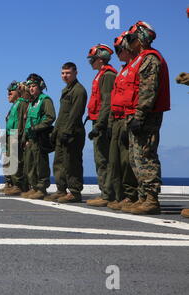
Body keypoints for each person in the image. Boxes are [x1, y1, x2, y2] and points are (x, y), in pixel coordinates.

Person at [124, 21, 171, 215]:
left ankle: (151, 198)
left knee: (146, 155)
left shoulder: (150, 59)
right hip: (137, 114)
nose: (129, 43)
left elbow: (148, 90)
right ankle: (143, 196)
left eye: (132, 39)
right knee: (136, 158)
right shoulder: (140, 58)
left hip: (146, 115)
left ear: (141, 39)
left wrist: (140, 115)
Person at [103, 31, 139, 212]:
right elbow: (113, 100)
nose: (118, 53)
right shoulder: (123, 71)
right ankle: (120, 196)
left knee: (126, 161)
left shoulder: (136, 67)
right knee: (114, 161)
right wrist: (110, 124)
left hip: (127, 119)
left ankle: (130, 195)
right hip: (116, 120)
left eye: (119, 49)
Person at [46, 62, 87, 203]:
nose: (65, 76)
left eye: (68, 73)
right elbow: (62, 115)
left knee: (72, 163)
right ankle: (61, 189)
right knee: (59, 162)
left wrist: (67, 132)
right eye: (63, 73)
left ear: (75, 73)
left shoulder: (79, 90)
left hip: (73, 133)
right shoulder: (66, 90)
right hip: (62, 132)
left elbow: (75, 114)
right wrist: (55, 132)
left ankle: (75, 192)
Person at [85, 44, 118, 207]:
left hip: (103, 123)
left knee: (103, 159)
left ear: (100, 59)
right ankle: (106, 192)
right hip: (98, 120)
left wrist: (100, 125)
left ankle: (107, 194)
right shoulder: (101, 75)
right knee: (100, 159)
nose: (91, 62)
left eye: (92, 60)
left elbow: (107, 102)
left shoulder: (108, 75)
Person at [21, 74, 56, 200]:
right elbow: (27, 123)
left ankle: (42, 189)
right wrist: (25, 137)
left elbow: (50, 116)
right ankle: (34, 187)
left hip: (40, 137)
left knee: (40, 164)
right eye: (29, 86)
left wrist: (37, 128)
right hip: (30, 139)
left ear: (40, 86)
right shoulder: (32, 103)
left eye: (34, 86)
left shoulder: (45, 100)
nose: (31, 89)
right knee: (30, 165)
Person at [3, 81, 30, 196]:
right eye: (8, 92)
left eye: (11, 91)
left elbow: (21, 122)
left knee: (17, 161)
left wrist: (19, 137)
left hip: (16, 136)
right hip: (11, 135)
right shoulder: (15, 105)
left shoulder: (22, 103)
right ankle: (14, 184)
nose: (8, 93)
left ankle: (19, 185)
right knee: (11, 161)